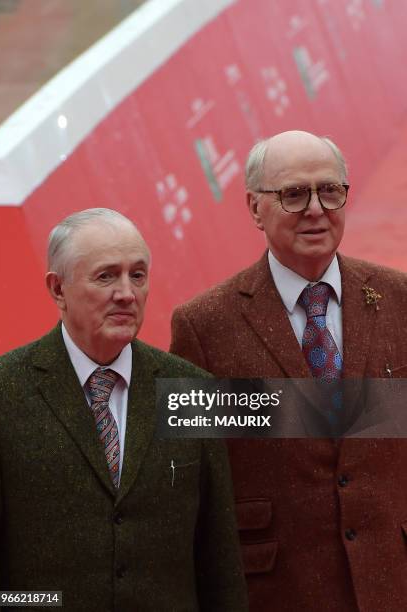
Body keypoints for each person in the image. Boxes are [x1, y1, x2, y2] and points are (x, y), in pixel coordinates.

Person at [170, 130, 407, 611]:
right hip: (276, 589)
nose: (316, 208)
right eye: (294, 194)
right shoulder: (203, 326)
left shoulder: (400, 298)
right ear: (255, 208)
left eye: (330, 190)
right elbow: (188, 481)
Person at [0, 208, 248, 612]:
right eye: (106, 276)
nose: (127, 293)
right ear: (58, 289)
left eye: (138, 275)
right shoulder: (1, 392)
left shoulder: (191, 388)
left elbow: (219, 559)